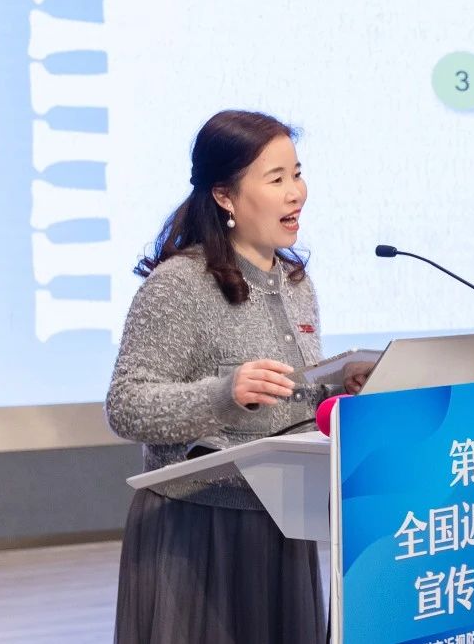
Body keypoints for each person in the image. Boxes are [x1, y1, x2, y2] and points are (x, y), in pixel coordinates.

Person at [106, 110, 357, 643]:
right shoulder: (179, 285)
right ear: (225, 196)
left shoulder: (295, 282)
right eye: (276, 178)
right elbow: (127, 405)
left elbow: (286, 400)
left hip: (283, 520)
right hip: (198, 534)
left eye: (297, 173)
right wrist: (223, 394)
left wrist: (342, 388)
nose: (296, 193)